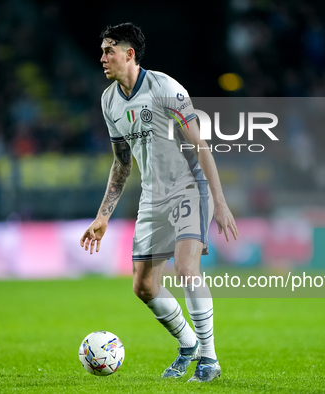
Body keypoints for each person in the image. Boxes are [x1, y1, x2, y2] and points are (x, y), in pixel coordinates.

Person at [80, 22, 238, 382]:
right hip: (152, 196)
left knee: (186, 268)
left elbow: (200, 145)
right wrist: (103, 216)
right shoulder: (109, 101)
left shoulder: (165, 88)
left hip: (188, 187)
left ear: (129, 54)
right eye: (103, 51)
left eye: (109, 50)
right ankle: (188, 345)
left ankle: (209, 359)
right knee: (144, 287)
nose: (102, 57)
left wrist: (220, 201)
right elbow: (122, 163)